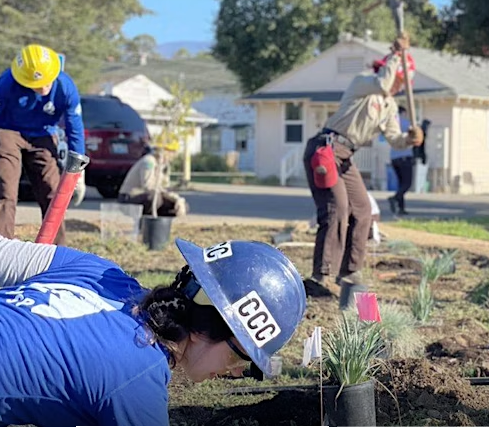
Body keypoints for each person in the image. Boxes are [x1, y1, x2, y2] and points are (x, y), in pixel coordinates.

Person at [0, 236, 306, 425]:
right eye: (239, 359)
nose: (239, 373)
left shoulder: (100, 272)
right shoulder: (137, 379)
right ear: (207, 329)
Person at [303, 33, 424, 310]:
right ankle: (320, 277)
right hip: (326, 149)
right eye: (400, 78)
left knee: (363, 210)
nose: (400, 84)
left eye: (404, 81)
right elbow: (382, 82)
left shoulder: (389, 106)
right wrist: (398, 55)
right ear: (388, 69)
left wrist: (411, 138)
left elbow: (394, 138)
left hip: (346, 157)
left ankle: (350, 271)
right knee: (337, 210)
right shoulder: (363, 84)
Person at [0, 44, 85, 246]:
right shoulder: (6, 84)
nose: (44, 87)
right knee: (6, 191)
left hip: (44, 132)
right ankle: (2, 247)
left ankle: (56, 250)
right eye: (37, 84)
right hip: (8, 131)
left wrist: (77, 165)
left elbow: (74, 125)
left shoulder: (65, 87)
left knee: (52, 191)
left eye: (47, 82)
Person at [118, 141, 188, 217]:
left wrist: (178, 200)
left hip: (151, 195)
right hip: (129, 197)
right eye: (171, 152)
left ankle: (160, 226)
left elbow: (164, 188)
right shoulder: (149, 162)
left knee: (177, 206)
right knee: (155, 198)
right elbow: (148, 186)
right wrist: (173, 197)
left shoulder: (164, 166)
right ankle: (145, 224)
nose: (173, 156)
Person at [388, 105, 415, 216]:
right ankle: (395, 198)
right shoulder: (406, 123)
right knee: (407, 183)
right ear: (403, 113)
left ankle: (401, 208)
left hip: (394, 157)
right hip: (405, 156)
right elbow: (415, 136)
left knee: (400, 184)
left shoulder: (392, 124)